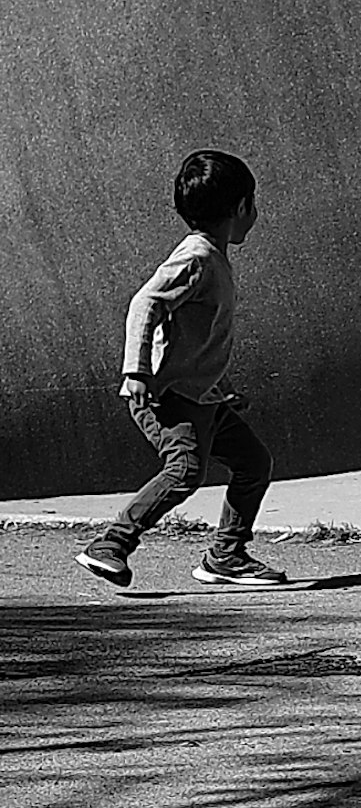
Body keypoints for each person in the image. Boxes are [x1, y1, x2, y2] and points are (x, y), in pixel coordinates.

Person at [83, 148, 277, 590]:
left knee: (253, 463)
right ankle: (110, 543)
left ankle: (226, 555)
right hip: (166, 397)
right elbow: (145, 303)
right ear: (242, 207)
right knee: (186, 469)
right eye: (254, 202)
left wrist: (222, 386)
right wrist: (136, 371)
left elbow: (196, 337)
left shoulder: (212, 256)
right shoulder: (197, 258)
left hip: (203, 397)